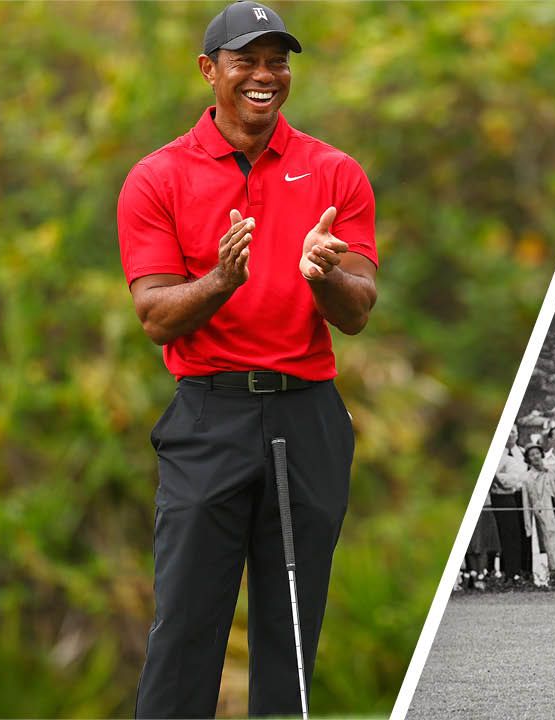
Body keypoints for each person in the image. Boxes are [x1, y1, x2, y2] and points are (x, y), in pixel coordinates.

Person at [118, 3, 377, 714]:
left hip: (309, 415)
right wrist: (221, 281)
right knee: (186, 631)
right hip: (209, 417)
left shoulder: (335, 172)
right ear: (210, 71)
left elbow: (357, 312)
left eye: (278, 61)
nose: (265, 76)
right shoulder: (157, 177)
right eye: (246, 61)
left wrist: (323, 276)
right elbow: (153, 316)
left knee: (291, 634)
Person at [522, 444, 555, 585]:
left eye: (537, 453)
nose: (535, 457)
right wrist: (528, 525)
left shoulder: (552, 471)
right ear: (528, 459)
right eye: (532, 455)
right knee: (549, 543)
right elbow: (526, 503)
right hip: (543, 513)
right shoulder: (528, 478)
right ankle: (554, 575)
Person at [490, 426, 531, 582]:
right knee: (505, 534)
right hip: (502, 498)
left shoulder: (522, 453)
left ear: (517, 434)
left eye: (513, 432)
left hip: (522, 496)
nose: (510, 435)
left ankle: (523, 571)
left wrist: (501, 478)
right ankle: (507, 572)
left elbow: (518, 478)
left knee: (523, 534)